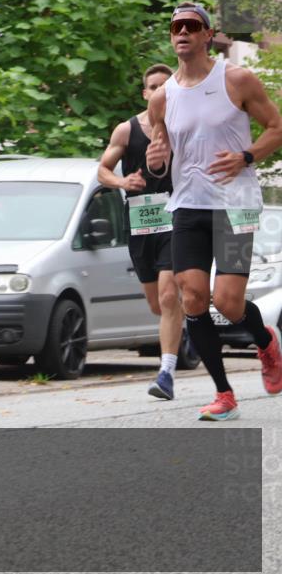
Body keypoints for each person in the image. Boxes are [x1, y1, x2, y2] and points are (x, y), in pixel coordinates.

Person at [146, 2, 282, 420]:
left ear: (207, 34)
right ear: (171, 37)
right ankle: (224, 395)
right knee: (192, 297)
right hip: (187, 205)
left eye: (192, 26)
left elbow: (276, 128)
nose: (182, 32)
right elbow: (160, 159)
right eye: (176, 27)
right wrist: (155, 159)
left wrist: (245, 155)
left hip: (235, 206)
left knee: (228, 303)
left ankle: (266, 341)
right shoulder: (163, 97)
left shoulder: (237, 79)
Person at [99, 63, 185, 400]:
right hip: (140, 223)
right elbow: (102, 171)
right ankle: (184, 324)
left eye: (167, 86)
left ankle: (165, 373)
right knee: (158, 304)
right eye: (154, 86)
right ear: (146, 93)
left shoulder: (182, 128)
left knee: (167, 296)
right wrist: (123, 181)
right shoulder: (126, 130)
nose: (160, 91)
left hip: (175, 218)